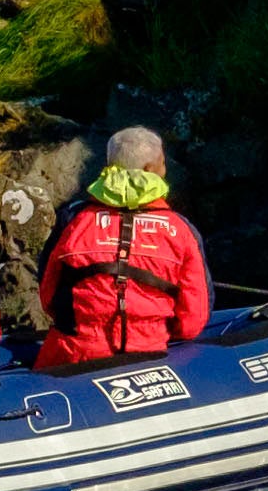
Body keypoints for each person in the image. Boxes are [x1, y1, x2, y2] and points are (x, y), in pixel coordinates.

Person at [37, 124, 212, 363]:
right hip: (149, 357)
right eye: (163, 163)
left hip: (73, 356)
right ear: (150, 169)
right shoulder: (182, 230)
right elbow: (193, 319)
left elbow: (48, 294)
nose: (165, 168)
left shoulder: (72, 219)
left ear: (109, 166)